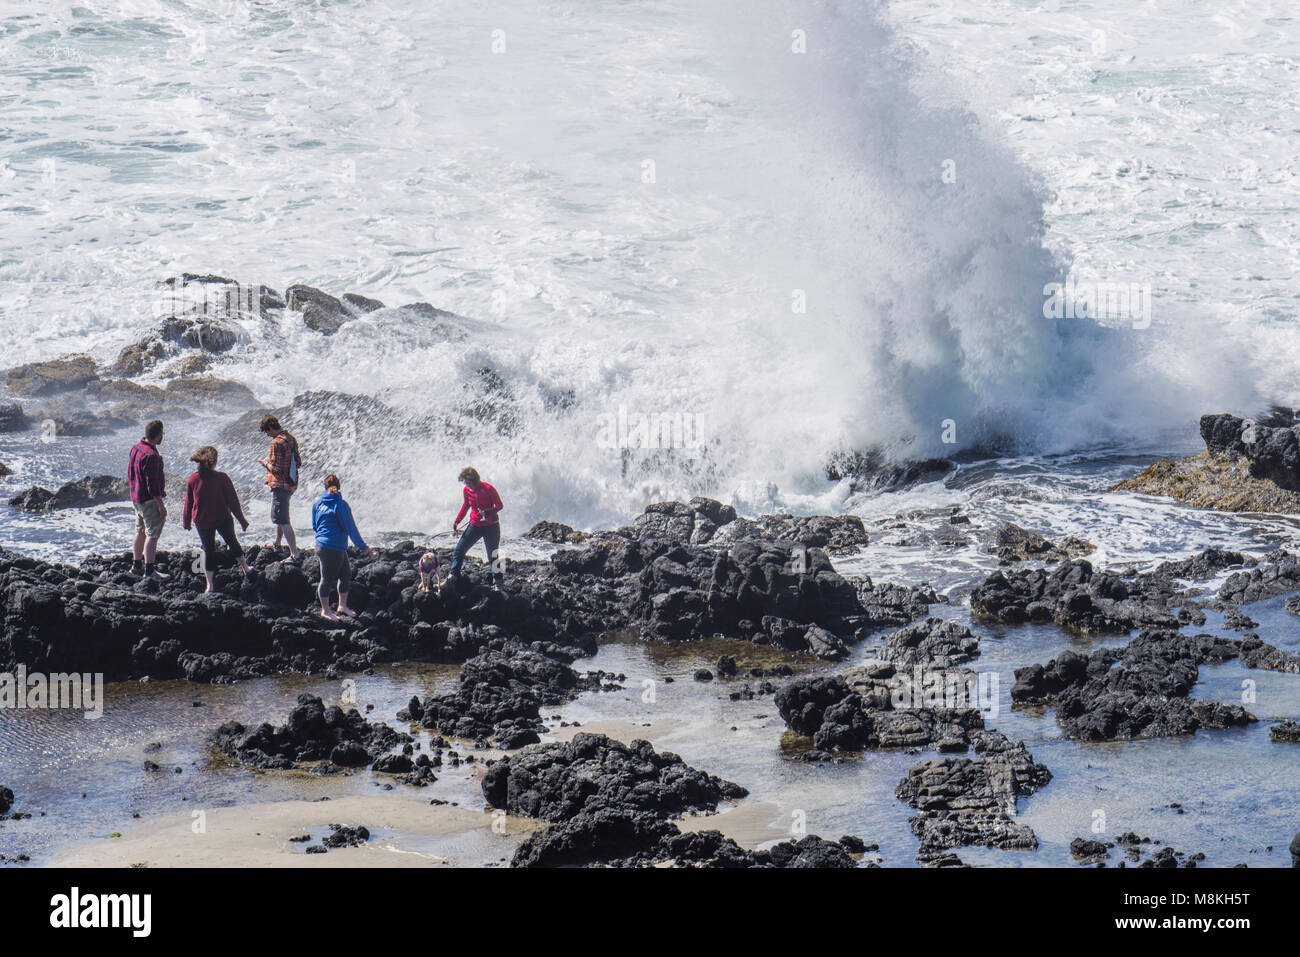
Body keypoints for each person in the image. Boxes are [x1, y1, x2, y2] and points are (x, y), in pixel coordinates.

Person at [182, 445, 252, 593]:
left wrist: (186, 521)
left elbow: (189, 503)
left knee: (208, 551)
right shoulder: (222, 478)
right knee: (232, 542)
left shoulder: (193, 479)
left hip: (202, 521)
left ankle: (210, 586)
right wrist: (242, 520)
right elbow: (233, 502)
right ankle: (246, 568)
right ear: (214, 462)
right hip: (222, 518)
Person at [311, 473, 371, 620]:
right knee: (326, 579)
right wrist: (364, 548)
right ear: (339, 487)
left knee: (345, 575)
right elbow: (351, 528)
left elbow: (315, 526)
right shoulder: (341, 505)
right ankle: (325, 611)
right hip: (332, 547)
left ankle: (342, 606)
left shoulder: (317, 504)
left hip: (324, 545)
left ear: (325, 488)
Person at [127, 419, 169, 579]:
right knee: (152, 534)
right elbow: (152, 486)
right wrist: (161, 505)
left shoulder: (136, 448)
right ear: (158, 435)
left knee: (139, 530)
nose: (162, 436)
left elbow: (130, 473)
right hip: (149, 500)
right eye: (162, 434)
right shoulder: (151, 456)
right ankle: (149, 571)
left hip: (136, 497)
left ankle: (136, 565)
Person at [257, 414, 302, 563]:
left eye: (267, 432)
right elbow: (299, 462)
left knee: (282, 519)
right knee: (280, 516)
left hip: (280, 485)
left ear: (270, 428)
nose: (268, 435)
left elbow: (276, 469)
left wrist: (265, 463)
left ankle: (294, 554)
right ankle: (277, 543)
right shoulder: (291, 438)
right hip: (291, 483)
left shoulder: (276, 443)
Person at [449, 467, 504, 589]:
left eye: (468, 482)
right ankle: (452, 576)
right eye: (465, 482)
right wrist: (457, 521)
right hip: (475, 525)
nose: (467, 485)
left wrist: (488, 512)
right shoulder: (467, 490)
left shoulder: (488, 488)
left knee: (493, 555)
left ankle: (499, 582)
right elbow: (466, 505)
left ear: (475, 480)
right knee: (459, 550)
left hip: (491, 526)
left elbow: (499, 505)